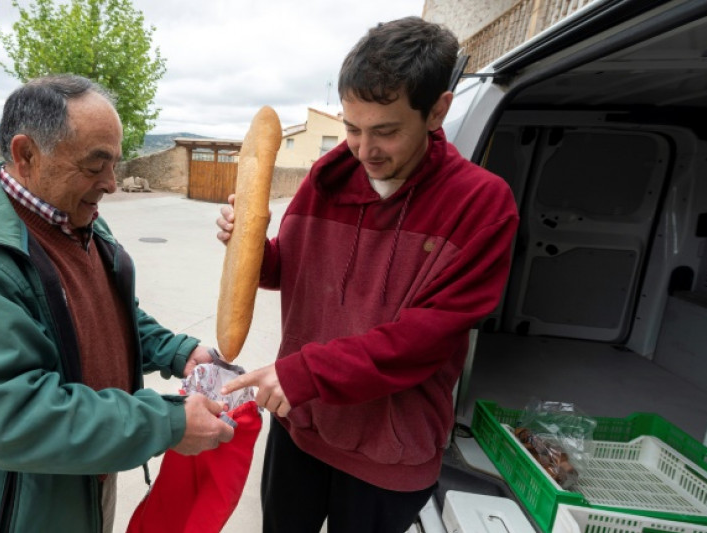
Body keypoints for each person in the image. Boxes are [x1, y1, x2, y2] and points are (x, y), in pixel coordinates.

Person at [0, 74, 234, 533]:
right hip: (9, 512)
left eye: (115, 163)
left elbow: (109, 313)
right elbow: (13, 417)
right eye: (95, 166)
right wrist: (167, 424)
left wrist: (178, 353)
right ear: (26, 154)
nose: (111, 183)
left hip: (85, 477)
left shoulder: (80, 219)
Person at [216, 17, 519, 533]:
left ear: (437, 112)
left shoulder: (481, 205)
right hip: (301, 427)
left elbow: (424, 339)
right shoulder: (325, 181)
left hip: (388, 453)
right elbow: (292, 269)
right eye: (352, 128)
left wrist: (304, 373)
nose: (365, 150)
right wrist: (247, 245)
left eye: (387, 131)